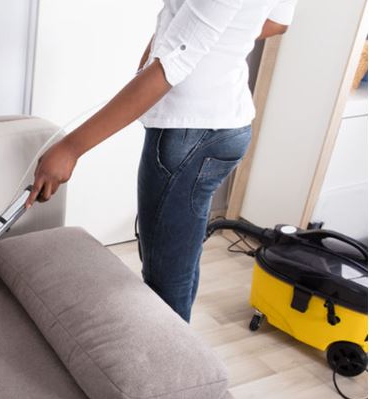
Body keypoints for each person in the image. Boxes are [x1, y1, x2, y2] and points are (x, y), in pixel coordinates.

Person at [26, 0, 297, 322]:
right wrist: (210, 41)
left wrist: (70, 149)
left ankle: (170, 353)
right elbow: (278, 22)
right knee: (179, 262)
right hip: (226, 124)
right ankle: (178, 346)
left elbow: (171, 66)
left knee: (165, 280)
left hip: (189, 135)